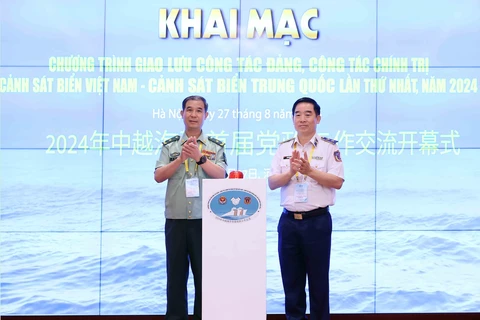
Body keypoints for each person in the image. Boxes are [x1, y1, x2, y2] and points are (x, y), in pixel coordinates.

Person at [268, 97, 345, 320]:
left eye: (308, 114)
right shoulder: (283, 147)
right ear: (293, 119)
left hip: (317, 222)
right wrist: (291, 173)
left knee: (319, 282)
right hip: (289, 222)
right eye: (298, 114)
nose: (302, 119)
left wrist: (309, 170)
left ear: (317, 118)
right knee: (291, 282)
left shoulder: (330, 147)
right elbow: (272, 183)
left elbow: (337, 182)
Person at [154, 95, 227, 320]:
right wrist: (180, 159)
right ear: (181, 113)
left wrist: (200, 158)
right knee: (175, 277)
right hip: (176, 219)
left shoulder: (215, 146)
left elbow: (222, 175)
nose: (193, 114)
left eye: (198, 110)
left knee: (204, 278)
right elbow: (158, 176)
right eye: (189, 110)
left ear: (206, 115)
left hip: (204, 220)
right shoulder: (170, 145)